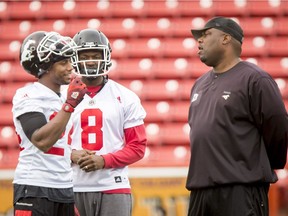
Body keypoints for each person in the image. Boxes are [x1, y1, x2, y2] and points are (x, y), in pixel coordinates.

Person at [186, 16, 288, 216]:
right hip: (200, 191)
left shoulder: (255, 79)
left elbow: (278, 128)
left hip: (241, 191)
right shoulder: (199, 84)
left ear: (226, 39)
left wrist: (262, 165)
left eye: (206, 35)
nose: (199, 40)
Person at [68, 29, 147, 216]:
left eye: (95, 55)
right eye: (84, 56)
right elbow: (49, 145)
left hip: (113, 185)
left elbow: (137, 147)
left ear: (106, 57)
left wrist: (104, 160)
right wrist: (71, 155)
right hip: (70, 185)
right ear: (74, 58)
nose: (90, 61)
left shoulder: (125, 97)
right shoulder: (62, 94)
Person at [12, 31, 87, 216]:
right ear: (45, 67)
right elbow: (42, 141)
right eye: (63, 62)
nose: (70, 67)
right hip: (35, 186)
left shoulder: (61, 97)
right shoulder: (28, 95)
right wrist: (69, 106)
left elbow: (59, 142)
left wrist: (72, 154)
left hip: (64, 186)